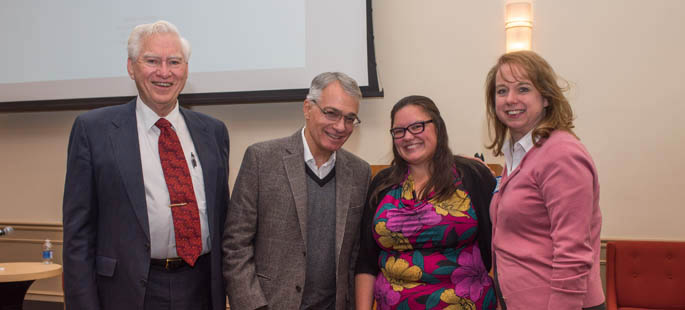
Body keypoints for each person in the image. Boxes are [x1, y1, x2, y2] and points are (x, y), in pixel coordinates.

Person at [62, 20, 229, 310]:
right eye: (152, 61)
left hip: (200, 288)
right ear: (131, 67)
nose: (164, 72)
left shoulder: (213, 132)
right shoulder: (94, 131)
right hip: (126, 291)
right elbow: (78, 236)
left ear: (186, 70)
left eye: (174, 62)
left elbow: (225, 220)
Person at [222, 72, 371, 310]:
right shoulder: (262, 160)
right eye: (331, 113)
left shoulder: (360, 172)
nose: (340, 126)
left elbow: (355, 255)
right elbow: (235, 246)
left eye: (350, 118)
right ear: (307, 108)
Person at [485, 51, 605, 310]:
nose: (511, 99)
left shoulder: (561, 154)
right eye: (502, 90)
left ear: (546, 97)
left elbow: (573, 254)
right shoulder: (521, 153)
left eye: (523, 89)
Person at [355, 95, 497, 310]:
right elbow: (366, 260)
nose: (408, 136)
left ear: (438, 127)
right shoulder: (382, 184)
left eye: (417, 126)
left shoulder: (472, 175)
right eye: (399, 131)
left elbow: (501, 246)